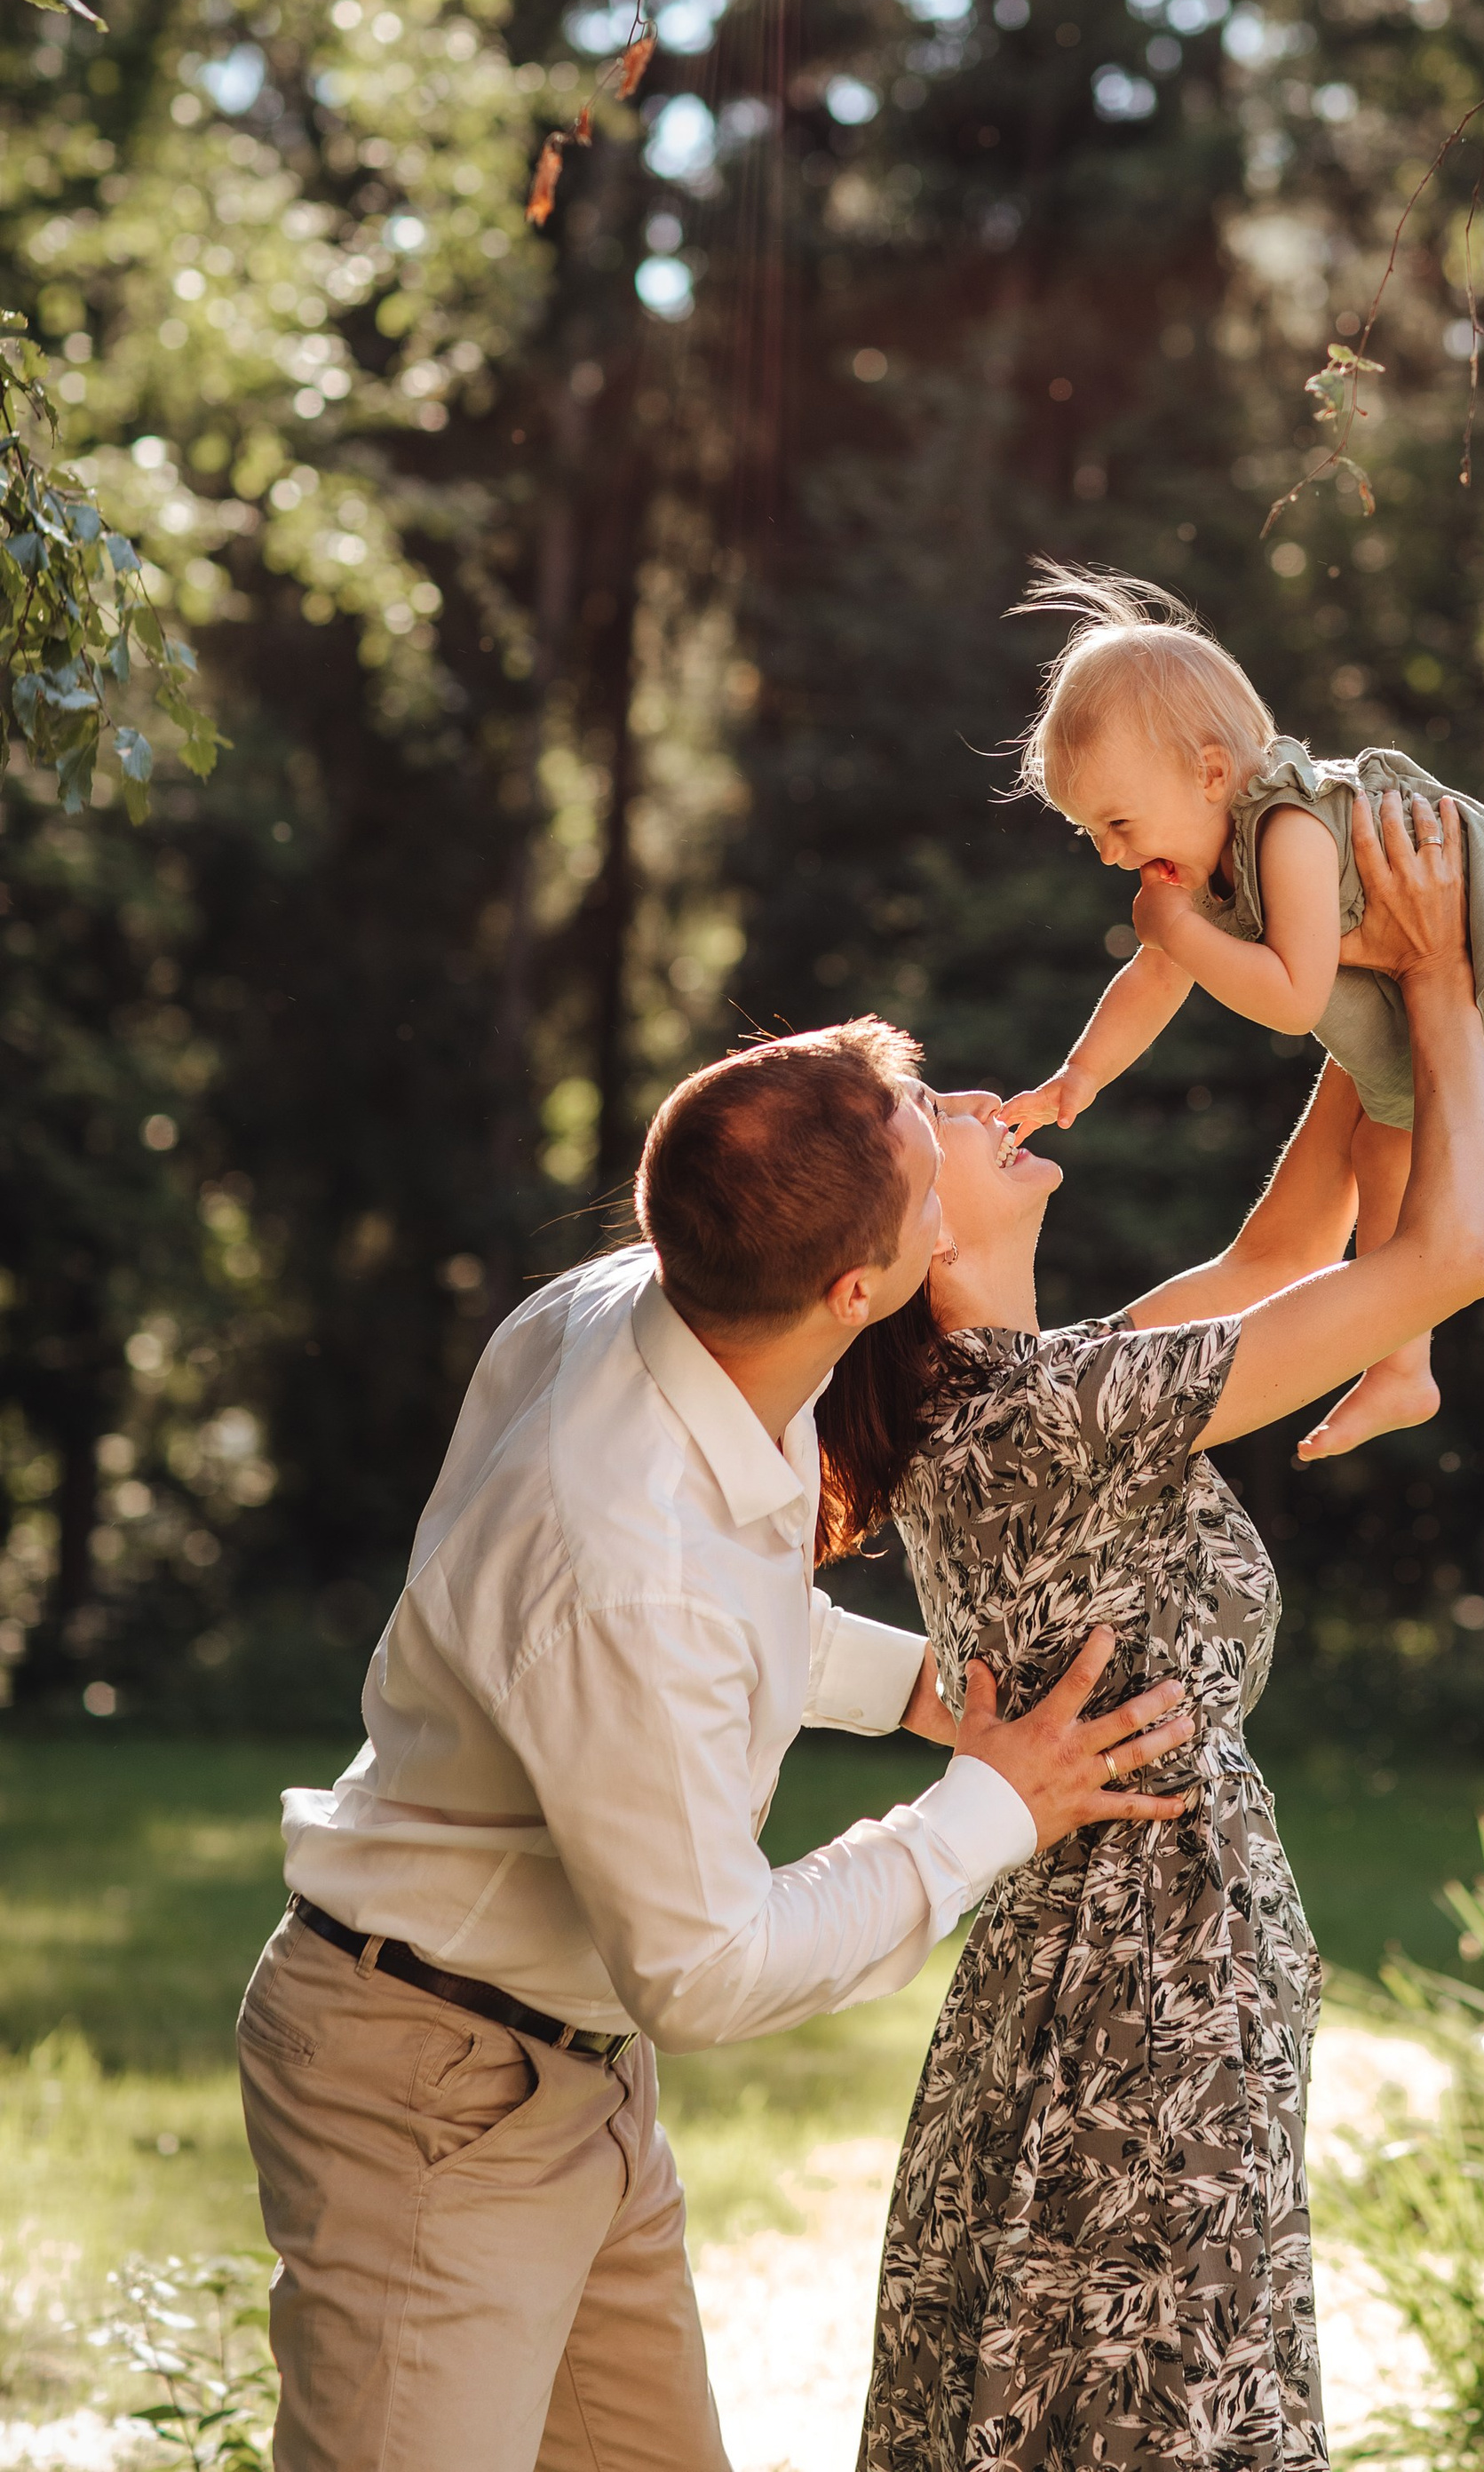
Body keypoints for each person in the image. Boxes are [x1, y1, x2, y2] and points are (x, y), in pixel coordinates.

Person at [237, 1017, 1197, 2472]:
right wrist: (987, 1811)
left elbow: (712, 1625)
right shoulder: (619, 1550)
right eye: (925, 1146)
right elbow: (706, 1962)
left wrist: (925, 1689)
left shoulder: (683, 1306)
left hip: (573, 2081)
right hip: (429, 2094)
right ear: (857, 1286)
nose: (958, 1125)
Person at [842, 785, 1484, 2472]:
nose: (988, 1102)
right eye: (941, 1124)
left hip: (1104, 1979)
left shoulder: (1024, 1397)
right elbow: (1452, 1254)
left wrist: (1356, 1009)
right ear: (914, 1247)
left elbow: (1287, 1247)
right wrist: (1432, 982)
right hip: (1142, 2007)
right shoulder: (1059, 1415)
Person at [1000, 561, 1484, 1459]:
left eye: (1118, 824)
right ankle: (1400, 1369)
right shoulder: (1197, 865)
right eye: (1091, 836)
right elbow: (1150, 982)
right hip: (1434, 989)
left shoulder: (1287, 830)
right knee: (1381, 1146)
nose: (1110, 856)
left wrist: (1176, 933)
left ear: (1211, 773)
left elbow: (1293, 995)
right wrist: (1083, 1073)